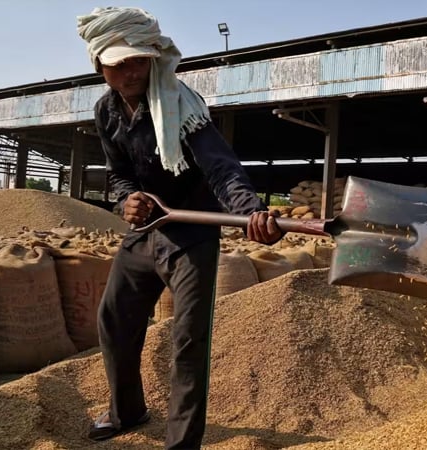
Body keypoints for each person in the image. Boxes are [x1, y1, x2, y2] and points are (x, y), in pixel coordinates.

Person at [77, 7, 283, 449]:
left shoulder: (182, 106)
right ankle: (126, 412)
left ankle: (181, 442)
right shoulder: (106, 112)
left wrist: (251, 212)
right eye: (119, 63)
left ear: (153, 58)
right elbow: (118, 174)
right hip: (145, 230)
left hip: (191, 234)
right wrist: (127, 199)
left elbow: (221, 170)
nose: (130, 71)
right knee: (114, 321)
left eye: (138, 60)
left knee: (188, 339)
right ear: (100, 66)